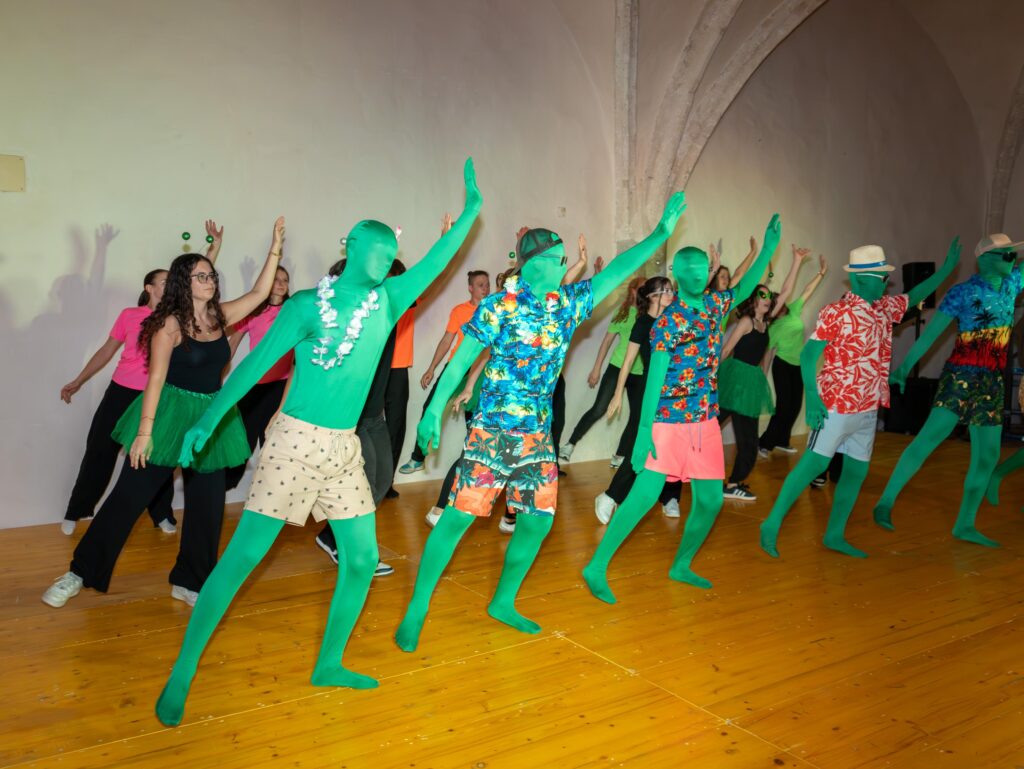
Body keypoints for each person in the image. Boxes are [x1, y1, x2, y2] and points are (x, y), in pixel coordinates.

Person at [153, 159, 482, 727]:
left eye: (390, 253)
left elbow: (436, 262)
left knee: (364, 557)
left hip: (342, 448)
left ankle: (329, 662)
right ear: (351, 248)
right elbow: (255, 363)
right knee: (243, 557)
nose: (385, 260)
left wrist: (472, 210)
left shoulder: (389, 300)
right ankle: (182, 670)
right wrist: (208, 418)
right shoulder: (307, 305)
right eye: (377, 251)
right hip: (294, 444)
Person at [394, 191, 688, 652]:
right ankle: (417, 608)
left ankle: (503, 602)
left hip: (537, 438)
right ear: (534, 264)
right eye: (559, 258)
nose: (565, 264)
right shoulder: (498, 306)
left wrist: (658, 235)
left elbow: (616, 271)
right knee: (456, 520)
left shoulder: (568, 303)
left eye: (565, 259)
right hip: (492, 434)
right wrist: (431, 411)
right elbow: (460, 361)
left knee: (536, 523)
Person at [43, 218, 283, 609]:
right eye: (202, 276)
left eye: (211, 275)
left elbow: (258, 293)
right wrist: (144, 432)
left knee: (208, 508)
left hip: (209, 420)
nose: (210, 280)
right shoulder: (168, 325)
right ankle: (79, 572)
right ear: (184, 283)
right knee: (127, 498)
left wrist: (275, 248)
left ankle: (190, 581)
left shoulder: (220, 316)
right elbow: (154, 379)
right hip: (170, 414)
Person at [582, 214, 782, 603]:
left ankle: (682, 564)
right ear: (676, 273)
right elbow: (654, 379)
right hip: (668, 422)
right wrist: (643, 434)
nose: (696, 275)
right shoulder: (667, 322)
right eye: (688, 269)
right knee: (643, 497)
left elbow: (743, 288)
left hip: (704, 419)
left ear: (708, 273)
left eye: (702, 269)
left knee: (710, 500)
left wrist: (768, 249)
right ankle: (596, 566)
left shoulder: (715, 305)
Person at [758, 239, 961, 559]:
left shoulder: (884, 309)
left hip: (867, 407)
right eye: (882, 277)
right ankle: (770, 524)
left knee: (855, 472)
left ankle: (834, 534)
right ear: (860, 278)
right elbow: (809, 355)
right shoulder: (836, 312)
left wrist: (946, 270)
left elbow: (914, 296)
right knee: (813, 465)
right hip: (835, 405)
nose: (886, 283)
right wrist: (813, 398)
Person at [59, 223, 224, 535]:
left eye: (172, 281)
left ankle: (161, 513)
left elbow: (195, 276)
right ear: (149, 288)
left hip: (160, 397)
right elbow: (106, 351)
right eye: (164, 281)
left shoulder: (180, 318)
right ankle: (76, 510)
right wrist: (79, 380)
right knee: (99, 451)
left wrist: (213, 248)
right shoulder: (130, 315)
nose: (170, 284)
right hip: (123, 392)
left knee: (157, 456)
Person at [874, 234, 1024, 546]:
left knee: (989, 455)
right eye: (1007, 255)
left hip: (992, 381)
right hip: (960, 377)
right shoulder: (963, 293)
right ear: (986, 259)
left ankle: (965, 524)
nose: (1013, 260)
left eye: (1014, 255)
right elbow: (930, 335)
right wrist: (904, 367)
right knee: (929, 439)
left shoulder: (1013, 283)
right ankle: (885, 501)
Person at [718, 245, 806, 500]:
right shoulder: (746, 322)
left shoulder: (765, 322)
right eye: (763, 295)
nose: (768, 299)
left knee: (748, 441)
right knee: (710, 426)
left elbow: (786, 291)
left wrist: (797, 261)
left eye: (769, 297)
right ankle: (689, 471)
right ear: (754, 300)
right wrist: (709, 376)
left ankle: (733, 483)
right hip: (734, 381)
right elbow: (726, 350)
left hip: (750, 385)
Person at [595, 276, 677, 523]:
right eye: (665, 291)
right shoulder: (643, 323)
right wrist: (617, 394)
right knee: (642, 445)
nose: (671, 294)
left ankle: (670, 497)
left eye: (671, 290)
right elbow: (628, 360)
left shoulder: (674, 320)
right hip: (651, 390)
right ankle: (611, 495)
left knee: (672, 445)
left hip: (675, 391)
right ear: (651, 297)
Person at [398, 263, 490, 474]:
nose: (485, 288)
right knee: (430, 406)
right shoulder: (459, 311)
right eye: (480, 285)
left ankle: (476, 463)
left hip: (481, 368)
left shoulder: (493, 310)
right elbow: (447, 340)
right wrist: (431, 368)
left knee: (476, 415)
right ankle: (417, 458)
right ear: (470, 288)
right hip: (457, 367)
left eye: (487, 285)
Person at [559, 274, 645, 467]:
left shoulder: (648, 316)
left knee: (638, 416)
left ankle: (620, 455)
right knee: (599, 408)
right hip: (617, 367)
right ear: (633, 291)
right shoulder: (623, 314)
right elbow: (606, 342)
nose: (645, 292)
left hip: (639, 372)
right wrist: (596, 369)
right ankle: (570, 445)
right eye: (641, 288)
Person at [224, 265, 293, 490]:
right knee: (242, 441)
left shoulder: (293, 311)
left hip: (282, 388)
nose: (281, 283)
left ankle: (273, 493)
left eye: (285, 280)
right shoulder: (252, 313)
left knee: (275, 445)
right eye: (276, 279)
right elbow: (232, 345)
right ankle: (223, 487)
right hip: (253, 387)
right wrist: (213, 374)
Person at [758, 254, 828, 456]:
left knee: (795, 406)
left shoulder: (794, 310)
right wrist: (763, 375)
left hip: (799, 365)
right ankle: (764, 443)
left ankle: (782, 440)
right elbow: (768, 353)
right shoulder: (772, 327)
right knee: (783, 406)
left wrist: (821, 273)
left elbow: (807, 290)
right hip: (782, 365)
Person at [384, 259, 413, 497]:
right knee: (367, 428)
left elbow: (432, 277)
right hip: (374, 370)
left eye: (396, 277)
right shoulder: (375, 299)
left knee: (395, 428)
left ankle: (387, 482)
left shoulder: (409, 298)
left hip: (398, 370)